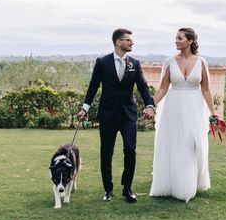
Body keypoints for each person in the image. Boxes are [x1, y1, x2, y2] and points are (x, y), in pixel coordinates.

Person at [78, 28, 156, 203]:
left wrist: (150, 104)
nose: (132, 43)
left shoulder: (134, 64)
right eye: (128, 40)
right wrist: (85, 108)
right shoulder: (102, 62)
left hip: (129, 115)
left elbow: (143, 87)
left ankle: (127, 188)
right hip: (108, 114)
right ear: (118, 42)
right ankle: (108, 189)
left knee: (130, 150)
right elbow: (93, 86)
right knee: (106, 153)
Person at [149, 27, 216, 202]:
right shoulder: (170, 61)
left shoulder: (201, 61)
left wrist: (214, 112)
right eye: (176, 38)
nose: (176, 41)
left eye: (179, 38)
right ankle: (178, 186)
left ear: (191, 40)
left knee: (194, 144)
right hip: (174, 106)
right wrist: (151, 105)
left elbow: (206, 89)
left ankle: (193, 180)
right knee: (176, 144)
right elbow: (163, 87)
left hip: (194, 107)